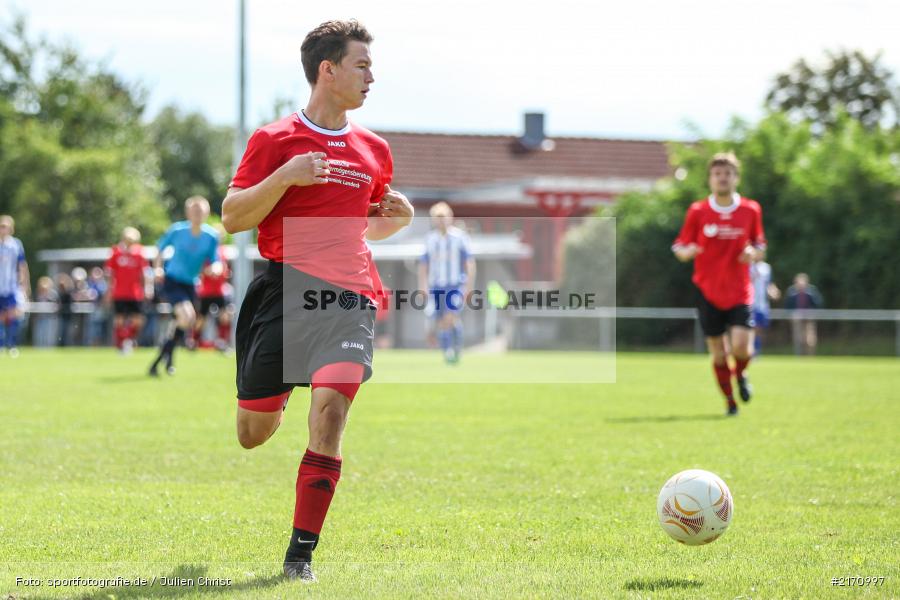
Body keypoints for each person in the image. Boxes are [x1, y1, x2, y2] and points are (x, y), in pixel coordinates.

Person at [222, 19, 413, 581]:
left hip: (351, 297)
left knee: (330, 414)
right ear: (327, 70)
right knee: (252, 435)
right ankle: (275, 392)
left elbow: (364, 227)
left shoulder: (374, 150)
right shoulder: (274, 141)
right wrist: (286, 176)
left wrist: (394, 221)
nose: (371, 76)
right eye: (362, 65)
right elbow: (233, 217)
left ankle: (298, 557)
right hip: (282, 292)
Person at [672, 153, 766, 416]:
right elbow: (679, 246)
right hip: (708, 291)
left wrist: (753, 254)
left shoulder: (750, 210)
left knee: (740, 348)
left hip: (739, 290)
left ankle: (742, 374)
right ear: (710, 179)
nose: (722, 178)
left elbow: (760, 246)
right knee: (719, 354)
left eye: (727, 173)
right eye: (717, 174)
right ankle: (730, 401)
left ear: (736, 177)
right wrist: (686, 252)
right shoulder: (698, 211)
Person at [148, 196, 219, 376]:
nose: (197, 214)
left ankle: (158, 362)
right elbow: (159, 249)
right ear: (188, 213)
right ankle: (163, 361)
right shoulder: (177, 230)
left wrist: (215, 268)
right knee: (188, 316)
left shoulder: (211, 236)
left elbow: (215, 260)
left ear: (207, 213)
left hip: (190, 284)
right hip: (172, 280)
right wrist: (157, 269)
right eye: (194, 211)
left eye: (200, 211)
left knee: (181, 322)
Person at [418, 202, 475, 363]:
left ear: (450, 218)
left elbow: (469, 263)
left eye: (444, 218)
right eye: (437, 218)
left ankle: (453, 351)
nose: (441, 221)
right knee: (442, 321)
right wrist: (422, 286)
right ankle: (449, 351)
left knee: (449, 317)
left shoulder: (460, 238)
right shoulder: (430, 239)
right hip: (436, 285)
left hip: (455, 284)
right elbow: (424, 264)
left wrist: (469, 286)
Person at [106, 227, 151, 353]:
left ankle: (129, 340)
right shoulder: (115, 252)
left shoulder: (140, 253)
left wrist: (147, 288)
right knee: (119, 319)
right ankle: (120, 343)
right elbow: (109, 272)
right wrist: (109, 290)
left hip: (135, 293)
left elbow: (145, 273)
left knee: (138, 319)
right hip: (119, 292)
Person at [194, 229, 233, 351]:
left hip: (219, 291)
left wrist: (225, 273)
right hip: (206, 291)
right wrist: (209, 272)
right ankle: (194, 341)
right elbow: (199, 269)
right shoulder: (206, 251)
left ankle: (222, 342)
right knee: (201, 318)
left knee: (226, 316)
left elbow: (225, 269)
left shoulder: (223, 251)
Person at [0, 215, 30, 356]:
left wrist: (25, 285)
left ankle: (11, 344)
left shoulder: (16, 244)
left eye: (5, 226)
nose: (3, 229)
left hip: (11, 286)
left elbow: (22, 265)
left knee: (13, 314)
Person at [785, 273, 823, 356]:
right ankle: (799, 357)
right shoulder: (791, 292)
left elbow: (818, 303)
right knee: (799, 339)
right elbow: (787, 306)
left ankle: (810, 357)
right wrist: (792, 314)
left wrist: (812, 313)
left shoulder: (812, 291)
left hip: (808, 319)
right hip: (797, 319)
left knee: (810, 340)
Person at [750, 260, 780, 354]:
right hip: (749, 303)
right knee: (751, 328)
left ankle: (756, 351)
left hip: (762, 304)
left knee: (759, 329)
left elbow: (769, 284)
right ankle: (751, 351)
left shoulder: (766, 268)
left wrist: (773, 292)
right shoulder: (747, 266)